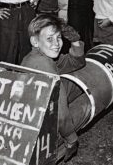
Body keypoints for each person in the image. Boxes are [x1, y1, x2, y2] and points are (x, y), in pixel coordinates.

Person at [21, 15, 85, 162]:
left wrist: (74, 40)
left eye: (59, 37)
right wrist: (71, 139)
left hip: (29, 119)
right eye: (50, 39)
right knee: (83, 104)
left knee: (71, 79)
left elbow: (75, 63)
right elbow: (60, 113)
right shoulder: (44, 65)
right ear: (35, 41)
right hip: (39, 128)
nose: (57, 43)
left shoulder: (34, 56)